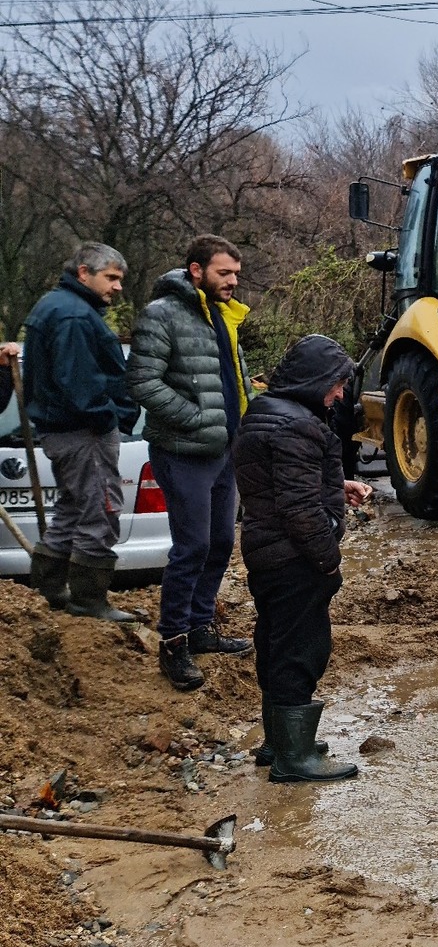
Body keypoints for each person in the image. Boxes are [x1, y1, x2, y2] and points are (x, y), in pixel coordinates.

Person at [233, 334, 370, 784]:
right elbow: (299, 510)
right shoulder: (299, 425)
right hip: (295, 559)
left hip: (266, 552)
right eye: (335, 384)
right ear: (314, 381)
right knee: (301, 648)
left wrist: (337, 486)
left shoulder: (266, 412)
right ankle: (295, 758)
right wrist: (328, 559)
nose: (340, 394)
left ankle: (279, 741)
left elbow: (283, 486)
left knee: (274, 640)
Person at [127, 235, 254, 692]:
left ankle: (201, 628)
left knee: (221, 541)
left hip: (224, 449)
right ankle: (173, 643)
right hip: (182, 452)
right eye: (224, 273)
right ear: (196, 270)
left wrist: (248, 415)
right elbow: (142, 382)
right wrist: (197, 418)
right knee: (191, 547)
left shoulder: (220, 314)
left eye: (236, 274)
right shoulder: (161, 314)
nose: (233, 282)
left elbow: (233, 378)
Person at [20, 244, 141, 622]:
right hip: (83, 432)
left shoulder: (58, 307)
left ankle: (52, 591)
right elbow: (79, 382)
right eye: (112, 278)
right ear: (83, 272)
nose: (118, 287)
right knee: (101, 509)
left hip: (64, 430)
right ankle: (89, 601)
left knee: (72, 509)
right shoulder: (72, 316)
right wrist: (108, 418)